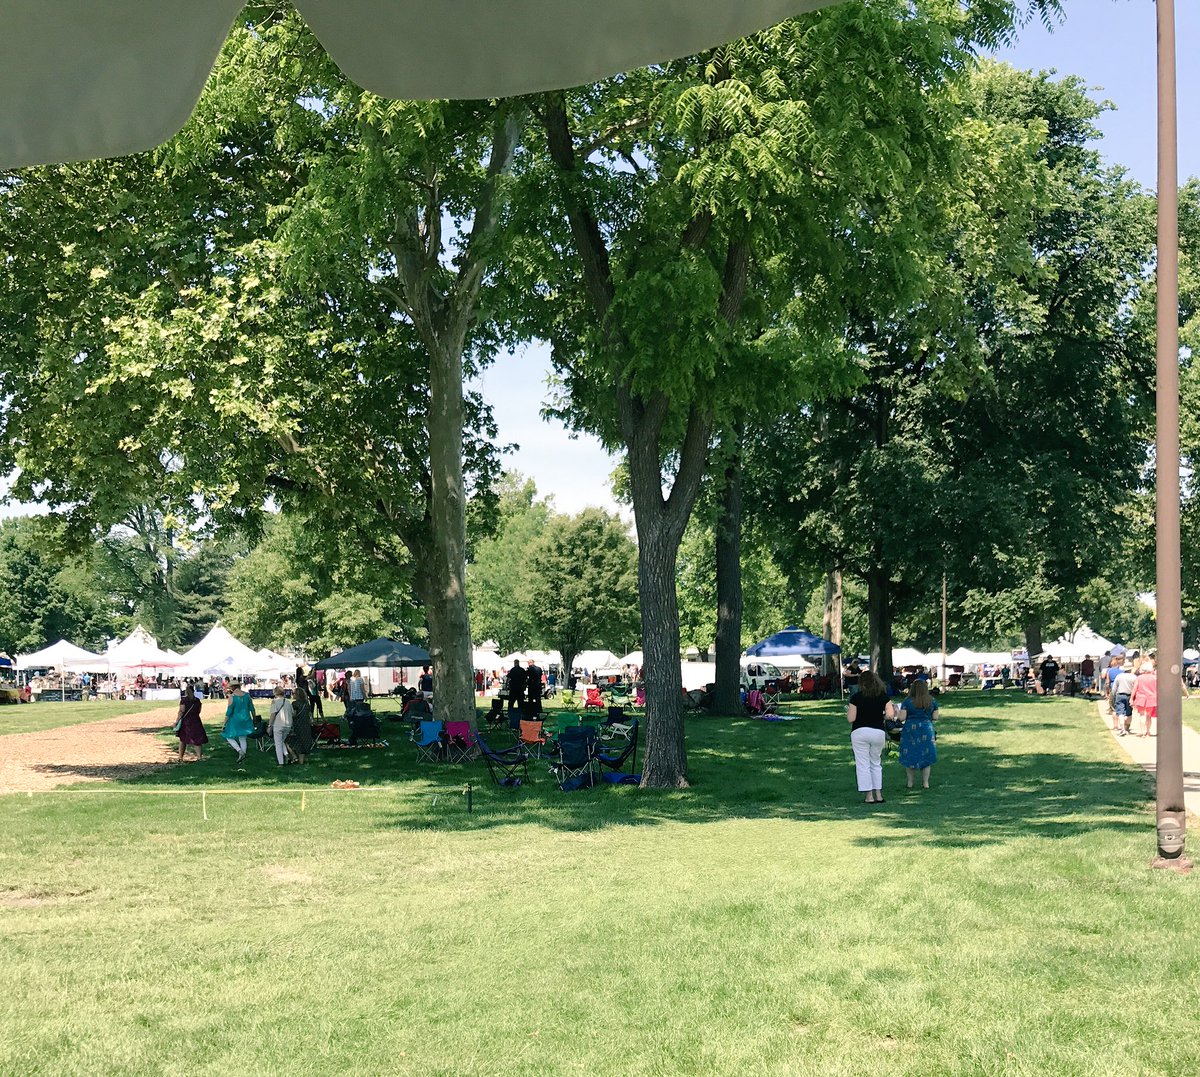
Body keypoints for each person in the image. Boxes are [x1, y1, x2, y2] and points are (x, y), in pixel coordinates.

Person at [846, 670, 894, 805]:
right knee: (876, 763)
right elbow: (890, 715)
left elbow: (851, 718)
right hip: (878, 732)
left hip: (860, 731)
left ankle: (869, 795)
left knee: (863, 764)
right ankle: (878, 794)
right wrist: (881, 716)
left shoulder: (856, 697)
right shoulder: (883, 697)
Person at [898, 679, 939, 789]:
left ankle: (910, 782)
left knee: (910, 754)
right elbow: (935, 717)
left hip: (910, 729)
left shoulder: (907, 701)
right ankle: (925, 783)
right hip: (926, 728)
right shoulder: (932, 701)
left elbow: (901, 718)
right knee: (926, 755)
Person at [222, 682, 257, 764]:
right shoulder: (247, 695)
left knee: (228, 736)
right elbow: (252, 708)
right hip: (246, 719)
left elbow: (229, 712)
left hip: (235, 720)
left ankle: (240, 751)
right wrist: (254, 718)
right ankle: (243, 755)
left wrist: (224, 723)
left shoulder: (232, 697)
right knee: (243, 737)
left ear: (233, 687)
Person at [174, 685, 208, 763]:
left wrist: (176, 721)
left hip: (186, 721)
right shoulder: (197, 700)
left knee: (183, 739)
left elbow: (181, 711)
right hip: (196, 720)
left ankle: (180, 757)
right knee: (197, 740)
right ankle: (199, 757)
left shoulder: (184, 700)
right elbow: (199, 711)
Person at [1131, 656, 1158, 738]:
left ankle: (1142, 732)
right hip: (1151, 698)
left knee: (1142, 715)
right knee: (1148, 716)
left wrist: (1131, 698)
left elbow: (1134, 689)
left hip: (1141, 698)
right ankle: (1148, 732)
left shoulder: (1139, 678)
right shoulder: (1155, 678)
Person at [287, 684, 315, 763]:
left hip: (297, 725)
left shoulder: (294, 704)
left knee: (292, 741)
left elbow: (294, 714)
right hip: (306, 725)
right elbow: (310, 715)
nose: (293, 695)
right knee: (303, 742)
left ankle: (294, 757)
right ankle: (301, 761)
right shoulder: (307, 703)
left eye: (294, 693)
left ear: (297, 695)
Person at [268, 685, 295, 766]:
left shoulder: (275, 702)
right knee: (281, 741)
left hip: (278, 724)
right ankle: (286, 755)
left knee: (278, 744)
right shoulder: (288, 702)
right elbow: (292, 713)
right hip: (287, 724)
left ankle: (281, 763)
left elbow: (273, 714)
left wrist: (270, 725)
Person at [1112, 662, 1138, 736]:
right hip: (1130, 696)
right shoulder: (1134, 677)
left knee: (1120, 713)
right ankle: (1127, 728)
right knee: (1129, 713)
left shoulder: (1119, 676)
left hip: (1120, 695)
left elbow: (1114, 688)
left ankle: (1122, 729)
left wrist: (1113, 696)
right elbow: (1135, 688)